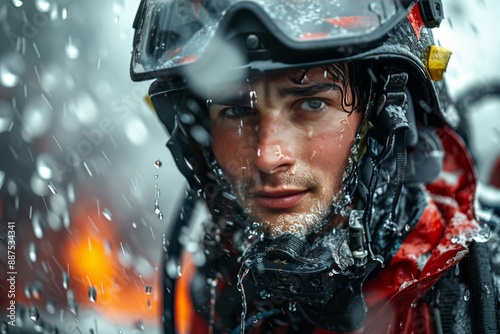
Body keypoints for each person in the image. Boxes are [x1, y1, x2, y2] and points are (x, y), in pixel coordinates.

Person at [130, 0, 499, 333]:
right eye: (237, 111)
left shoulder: (478, 293)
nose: (267, 155)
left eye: (312, 104)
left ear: (380, 122)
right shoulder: (215, 292)